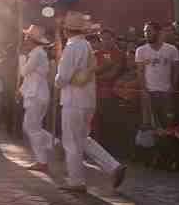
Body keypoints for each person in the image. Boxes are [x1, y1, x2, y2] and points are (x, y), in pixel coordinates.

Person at [55, 12, 126, 192]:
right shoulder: (86, 45)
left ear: (66, 30)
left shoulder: (71, 47)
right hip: (87, 100)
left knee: (72, 142)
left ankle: (76, 181)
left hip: (72, 100)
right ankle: (113, 166)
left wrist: (56, 81)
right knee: (83, 139)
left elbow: (62, 78)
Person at [18, 25, 52, 171]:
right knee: (31, 127)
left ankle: (42, 161)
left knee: (31, 128)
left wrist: (21, 58)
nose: (25, 39)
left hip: (36, 95)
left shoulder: (36, 54)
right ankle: (54, 144)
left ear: (32, 40)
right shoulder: (38, 53)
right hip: (37, 94)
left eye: (27, 37)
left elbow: (24, 72)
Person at [136, 22, 179, 130]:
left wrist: (173, 87)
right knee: (150, 124)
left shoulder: (172, 49)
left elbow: (177, 69)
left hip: (167, 91)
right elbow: (140, 72)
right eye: (145, 31)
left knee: (168, 123)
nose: (146, 34)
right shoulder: (140, 50)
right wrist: (144, 90)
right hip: (149, 91)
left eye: (149, 31)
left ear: (158, 32)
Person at [94, 28, 126, 155]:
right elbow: (92, 71)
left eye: (108, 38)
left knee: (109, 123)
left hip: (111, 94)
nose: (105, 41)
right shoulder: (96, 54)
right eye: (103, 39)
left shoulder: (119, 54)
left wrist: (93, 76)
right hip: (95, 93)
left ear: (114, 39)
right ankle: (96, 150)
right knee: (95, 123)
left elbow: (112, 74)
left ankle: (110, 151)